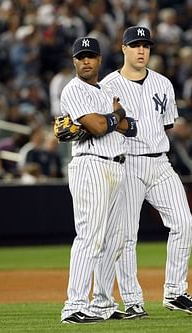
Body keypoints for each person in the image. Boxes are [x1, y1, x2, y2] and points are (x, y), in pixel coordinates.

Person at [100, 26, 192, 317]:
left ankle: (175, 292)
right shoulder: (107, 86)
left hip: (160, 162)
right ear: (123, 48)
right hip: (127, 163)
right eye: (135, 45)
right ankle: (133, 300)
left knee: (184, 223)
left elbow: (167, 124)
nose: (141, 50)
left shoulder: (163, 83)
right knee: (126, 235)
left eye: (145, 45)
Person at [60, 37, 137, 324]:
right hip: (91, 166)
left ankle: (102, 304)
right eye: (81, 57)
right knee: (90, 237)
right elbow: (98, 126)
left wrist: (112, 119)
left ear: (100, 60)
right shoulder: (73, 89)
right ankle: (74, 306)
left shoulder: (106, 89)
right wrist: (114, 117)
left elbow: (130, 127)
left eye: (91, 56)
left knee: (114, 240)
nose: (86, 61)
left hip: (117, 166)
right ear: (74, 61)